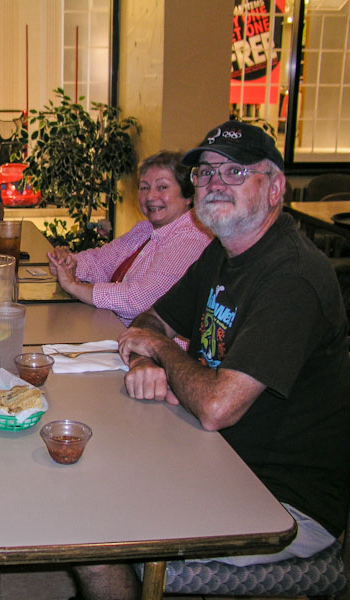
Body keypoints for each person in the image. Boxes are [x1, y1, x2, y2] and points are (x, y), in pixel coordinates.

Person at [74, 121, 350, 600]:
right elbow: (151, 318)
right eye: (205, 173)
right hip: (214, 454)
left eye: (235, 171)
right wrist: (144, 361)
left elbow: (217, 406)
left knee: (93, 531)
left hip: (282, 500)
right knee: (90, 466)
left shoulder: (292, 278)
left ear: (275, 187)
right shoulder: (221, 253)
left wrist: (158, 352)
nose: (215, 183)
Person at [47, 151, 213, 326]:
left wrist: (73, 286)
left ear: (188, 195)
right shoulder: (144, 230)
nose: (150, 196)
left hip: (153, 349)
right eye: (144, 187)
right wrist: (68, 263)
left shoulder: (191, 239)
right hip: (114, 332)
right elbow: (100, 261)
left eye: (162, 187)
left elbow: (141, 300)